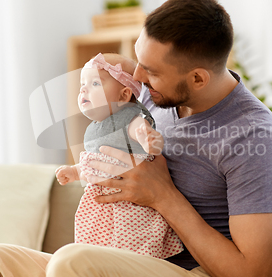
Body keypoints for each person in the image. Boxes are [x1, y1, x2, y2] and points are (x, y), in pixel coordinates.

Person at [0, 0, 272, 277]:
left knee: (74, 262)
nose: (137, 77)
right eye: (138, 60)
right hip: (118, 256)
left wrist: (165, 196)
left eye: (151, 71)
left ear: (197, 78)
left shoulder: (252, 134)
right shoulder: (154, 97)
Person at [55, 52, 183, 259]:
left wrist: (150, 141)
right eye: (82, 84)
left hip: (130, 209)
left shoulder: (130, 119)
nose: (84, 89)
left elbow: (144, 135)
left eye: (96, 83)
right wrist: (75, 172)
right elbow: (95, 163)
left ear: (124, 96)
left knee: (132, 251)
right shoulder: (95, 129)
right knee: (95, 253)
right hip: (102, 211)